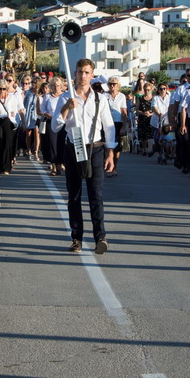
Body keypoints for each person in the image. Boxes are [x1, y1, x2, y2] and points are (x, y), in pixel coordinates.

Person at [52, 58, 116, 254]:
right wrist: (66, 108)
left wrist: (110, 152)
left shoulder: (100, 99)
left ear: (92, 75)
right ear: (75, 74)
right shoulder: (65, 97)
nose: (83, 76)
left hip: (95, 149)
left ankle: (100, 238)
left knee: (96, 196)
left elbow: (109, 126)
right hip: (74, 147)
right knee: (74, 196)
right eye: (80, 72)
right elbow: (55, 126)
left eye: (87, 72)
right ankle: (76, 239)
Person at [106, 76, 128, 175]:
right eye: (110, 84)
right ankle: (108, 166)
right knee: (107, 145)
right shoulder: (104, 95)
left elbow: (123, 112)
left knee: (117, 147)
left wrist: (124, 126)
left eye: (114, 84)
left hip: (118, 122)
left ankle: (115, 166)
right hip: (107, 122)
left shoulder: (121, 96)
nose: (112, 86)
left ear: (118, 85)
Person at [136, 81, 156, 156]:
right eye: (145, 90)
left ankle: (149, 149)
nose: (146, 91)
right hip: (142, 118)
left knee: (150, 135)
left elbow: (156, 109)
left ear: (151, 90)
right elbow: (137, 109)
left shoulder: (154, 98)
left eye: (148, 90)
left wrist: (150, 114)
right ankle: (144, 149)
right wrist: (143, 113)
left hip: (151, 118)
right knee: (143, 135)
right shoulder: (140, 98)